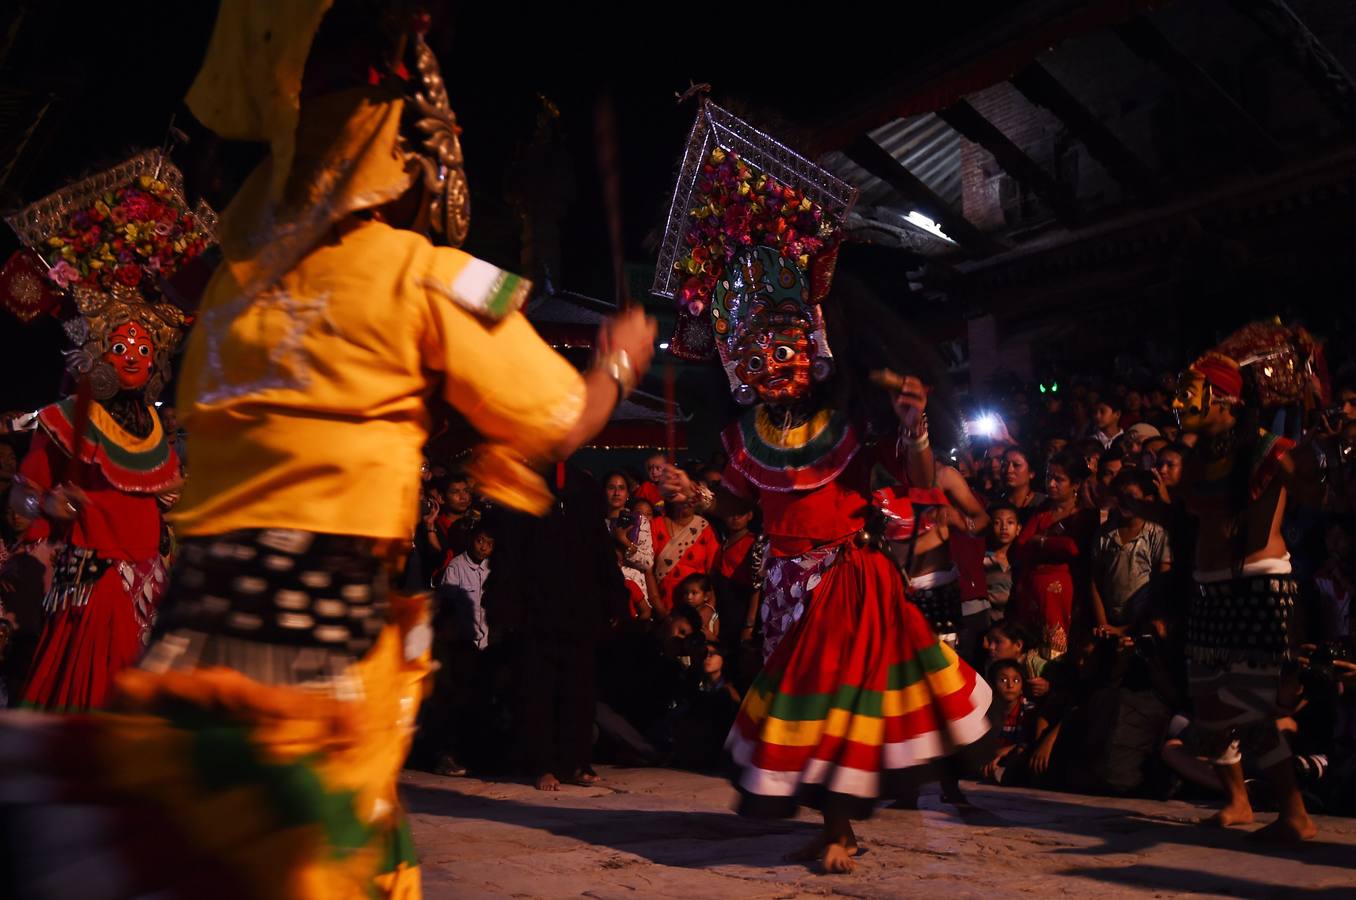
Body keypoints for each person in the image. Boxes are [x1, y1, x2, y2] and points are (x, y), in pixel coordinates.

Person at [0, 6, 656, 897]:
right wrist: (620, 359)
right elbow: (558, 420)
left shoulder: (234, 289)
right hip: (320, 630)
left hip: (199, 627)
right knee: (315, 865)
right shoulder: (422, 274)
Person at [652, 116, 989, 874]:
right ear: (735, 366)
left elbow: (918, 486)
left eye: (782, 346)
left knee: (836, 714)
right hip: (781, 585)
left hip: (846, 582)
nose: (770, 363)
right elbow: (739, 512)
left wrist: (915, 429)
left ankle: (839, 830)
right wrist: (693, 497)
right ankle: (837, 825)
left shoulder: (849, 426)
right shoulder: (745, 442)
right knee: (805, 720)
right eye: (752, 354)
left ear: (811, 343)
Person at [2, 152, 200, 713]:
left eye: (143, 347)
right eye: (120, 346)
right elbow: (22, 494)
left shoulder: (158, 422)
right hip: (98, 582)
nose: (134, 357)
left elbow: (167, 492)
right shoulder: (70, 416)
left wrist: (176, 496)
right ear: (97, 352)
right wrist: (49, 501)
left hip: (149, 587)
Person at [1168, 338, 1325, 842]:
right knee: (1209, 707)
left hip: (1260, 587)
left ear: (1223, 399)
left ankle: (1296, 816)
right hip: (1211, 590)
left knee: (1250, 711)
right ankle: (1238, 803)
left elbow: (1319, 494)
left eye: (1188, 394)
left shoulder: (1270, 449)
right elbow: (1195, 518)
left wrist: (1320, 441)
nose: (1178, 404)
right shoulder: (1198, 458)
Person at [423, 524, 495, 777]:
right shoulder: (455, 568)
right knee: (453, 703)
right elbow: (448, 608)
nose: (484, 547)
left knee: (479, 703)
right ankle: (445, 756)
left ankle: (475, 755)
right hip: (462, 645)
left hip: (484, 646)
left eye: (489, 542)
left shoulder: (492, 570)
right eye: (480, 541)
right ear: (470, 540)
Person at [1011, 450, 1098, 658]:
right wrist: (1051, 545)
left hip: (1061, 594)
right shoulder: (1044, 509)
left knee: (1055, 653)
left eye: (1059, 479)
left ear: (1075, 484)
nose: (1051, 484)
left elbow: (1072, 548)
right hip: (1031, 590)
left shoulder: (1083, 514)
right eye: (1049, 477)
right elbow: (1022, 544)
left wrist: (1041, 541)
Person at [1090, 470, 1172, 637]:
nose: (1125, 502)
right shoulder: (1105, 533)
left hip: (1143, 625)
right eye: (1120, 496)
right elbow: (1094, 581)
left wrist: (1127, 629)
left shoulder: (1156, 533)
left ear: (1147, 499)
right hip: (1109, 622)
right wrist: (1103, 624)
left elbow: (1162, 585)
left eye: (1132, 497)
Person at [651, 498, 720, 613]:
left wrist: (709, 609)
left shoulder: (703, 527)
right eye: (682, 496)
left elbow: (712, 573)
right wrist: (660, 610)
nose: (687, 501)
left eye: (690, 497)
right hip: (663, 605)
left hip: (697, 608)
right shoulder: (655, 525)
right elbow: (647, 571)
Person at [605, 470, 655, 620]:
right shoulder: (595, 523)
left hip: (636, 595)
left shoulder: (639, 522)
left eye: (621, 488)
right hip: (606, 592)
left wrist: (624, 541)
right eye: (611, 487)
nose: (616, 492)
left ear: (628, 494)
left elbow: (647, 562)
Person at [984, 503, 1020, 621]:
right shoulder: (984, 560)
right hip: (991, 624)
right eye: (997, 522)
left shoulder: (1022, 559)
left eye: (1010, 522)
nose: (1004, 527)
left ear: (1018, 529)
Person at [1001, 445, 1046, 524]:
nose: (1009, 470)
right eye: (1004, 465)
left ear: (1031, 473)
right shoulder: (996, 503)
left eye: (1016, 465)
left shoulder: (1043, 505)